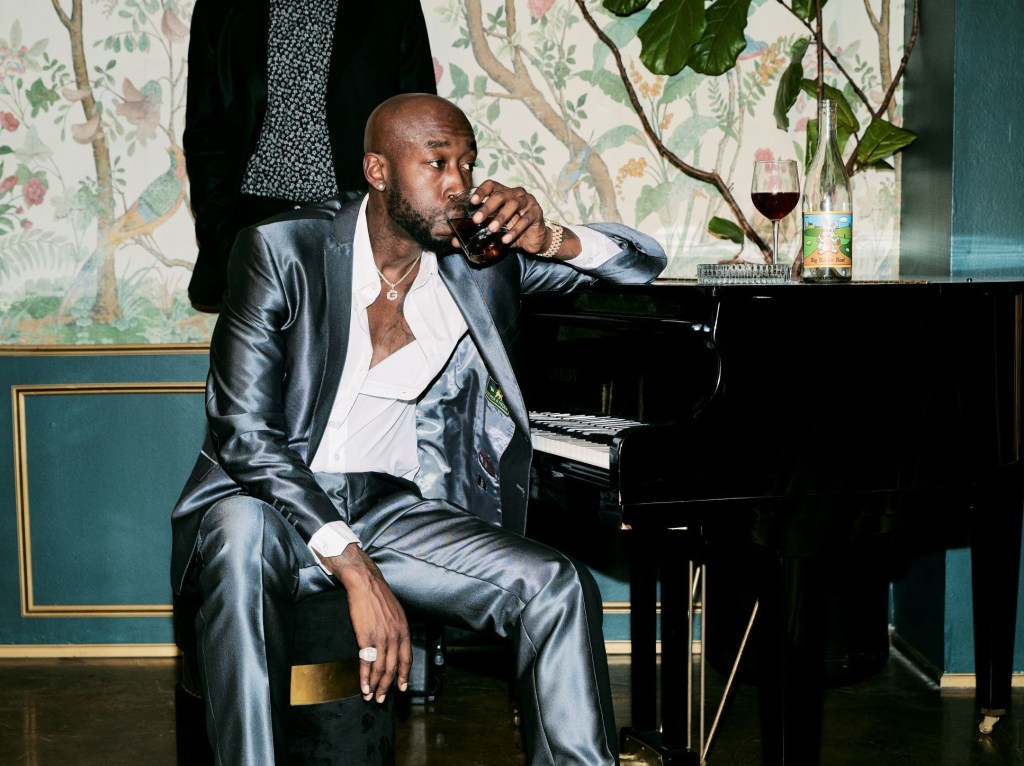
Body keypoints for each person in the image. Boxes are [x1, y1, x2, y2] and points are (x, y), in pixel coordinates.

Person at [170, 92, 668, 765]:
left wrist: (546, 237)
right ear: (379, 171)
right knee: (238, 532)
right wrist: (355, 569)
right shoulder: (283, 249)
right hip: (266, 500)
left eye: (466, 163)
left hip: (386, 504)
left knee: (555, 585)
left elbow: (642, 260)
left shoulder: (478, 264)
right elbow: (244, 432)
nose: (459, 184)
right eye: (437, 164)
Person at [183, 0, 437, 312]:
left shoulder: (393, 7)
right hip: (253, 231)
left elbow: (419, 131)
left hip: (358, 229)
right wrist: (221, 236)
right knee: (253, 360)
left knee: (356, 358)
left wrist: (397, 242)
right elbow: (205, 132)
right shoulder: (220, 7)